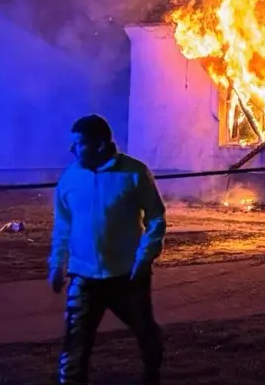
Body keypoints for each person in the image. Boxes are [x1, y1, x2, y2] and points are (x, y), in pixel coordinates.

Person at [49, 114, 167, 385]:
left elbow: (156, 217)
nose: (72, 150)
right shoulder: (70, 178)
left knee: (144, 331)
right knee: (75, 344)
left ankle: (152, 374)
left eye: (78, 143)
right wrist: (58, 263)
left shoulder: (134, 173)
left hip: (127, 276)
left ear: (100, 144)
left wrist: (145, 258)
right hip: (84, 278)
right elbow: (64, 225)